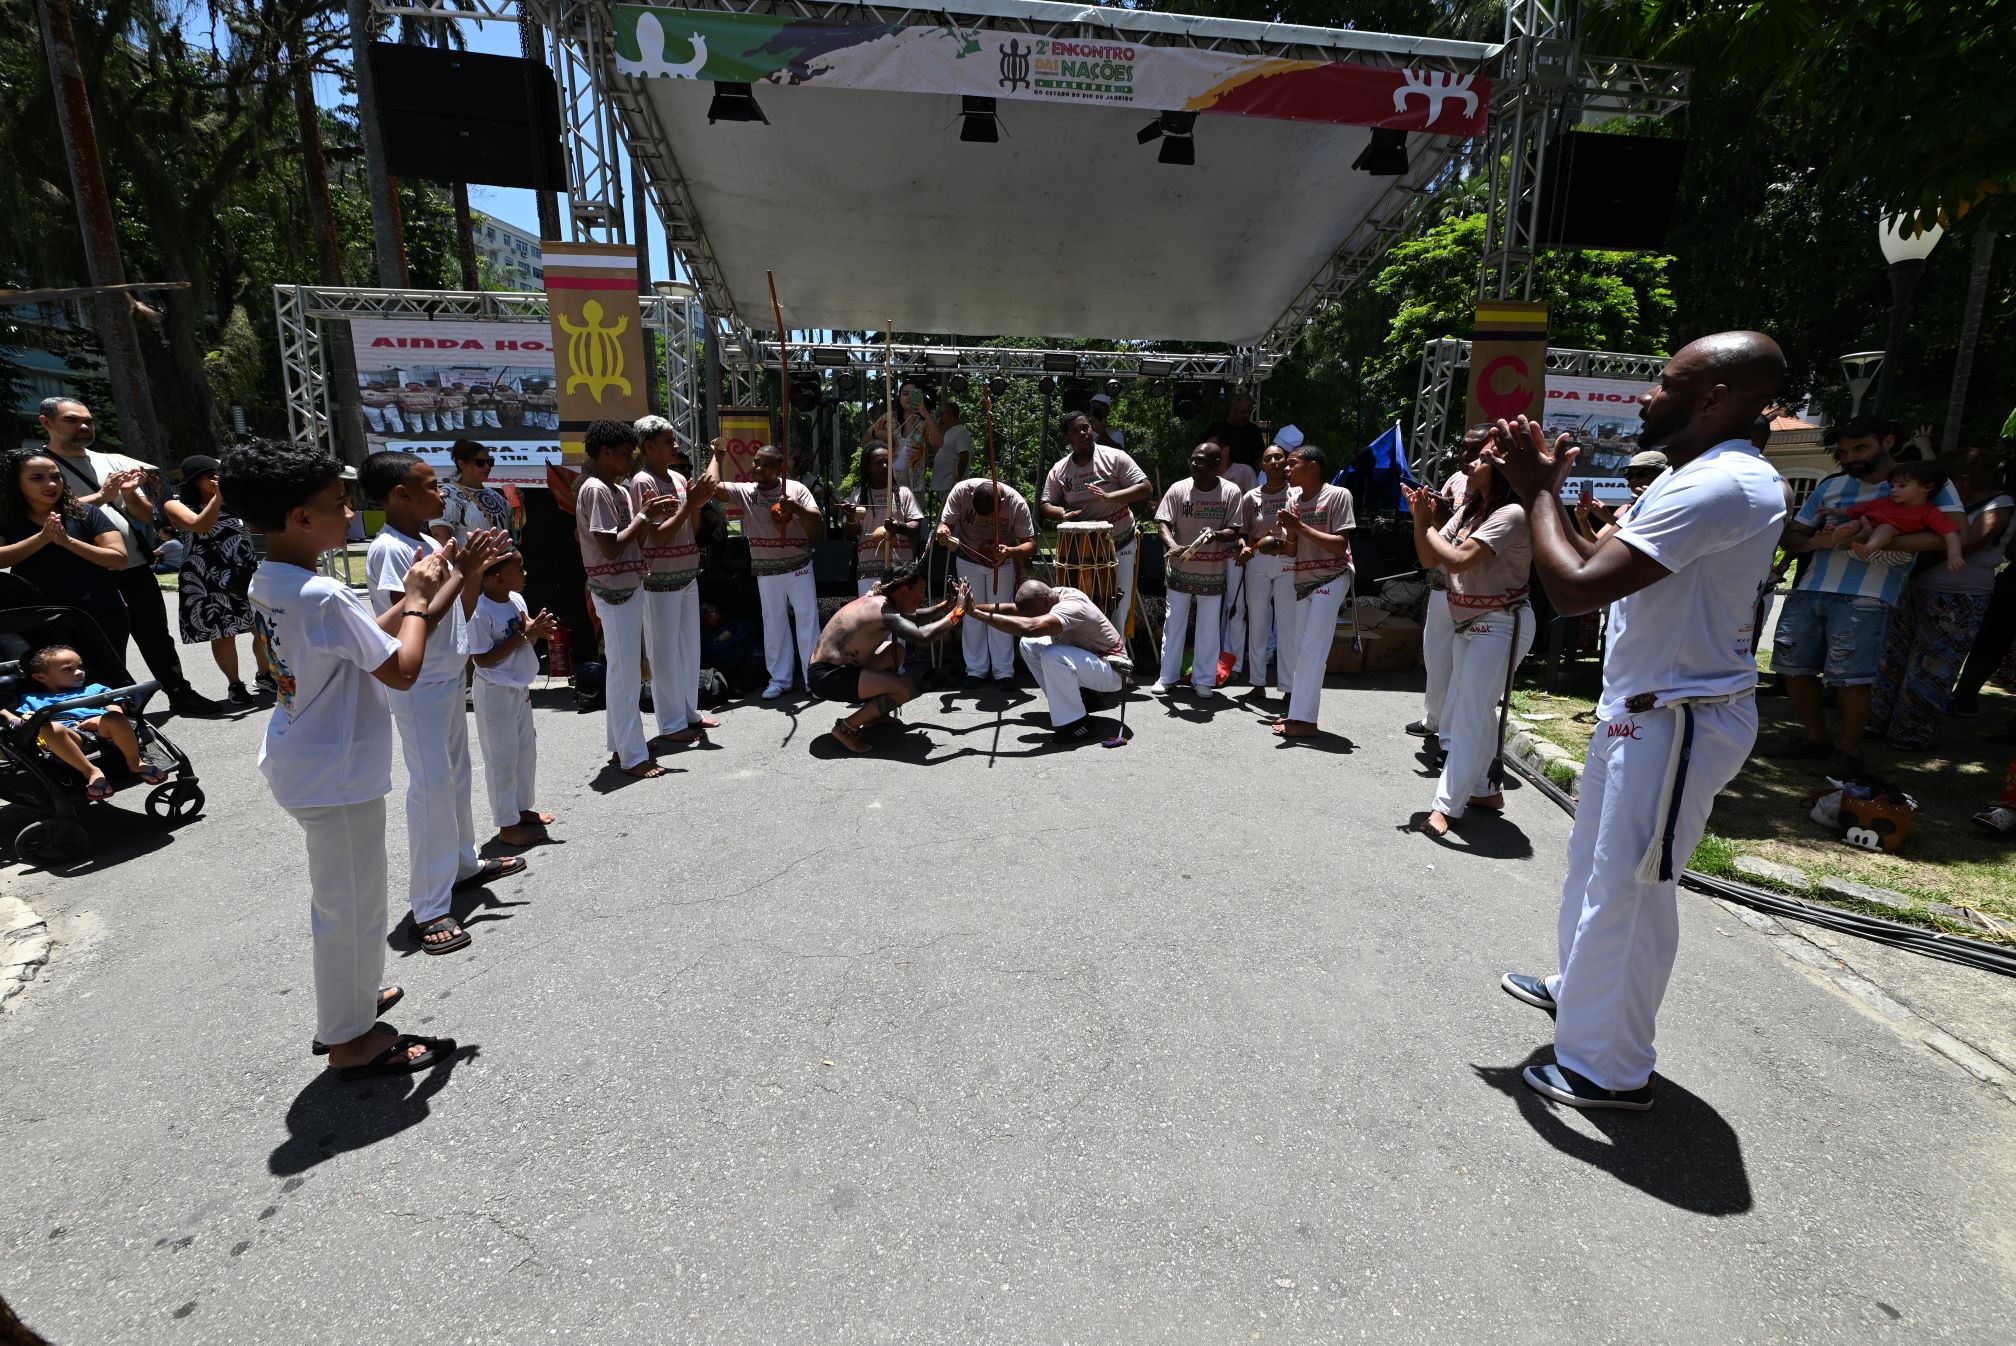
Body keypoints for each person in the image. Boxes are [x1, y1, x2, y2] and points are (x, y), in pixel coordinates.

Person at [1491, 331, 1790, 1111]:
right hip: (1644, 711)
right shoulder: (1694, 476)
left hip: (1679, 720)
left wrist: (1536, 495)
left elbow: (1576, 588)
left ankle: (1610, 1069)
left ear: (1716, 399)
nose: (1646, 396)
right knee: (1596, 869)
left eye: (1664, 383)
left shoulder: (1724, 484)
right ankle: (1581, 999)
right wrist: (1555, 494)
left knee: (1632, 890)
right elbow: (1614, 566)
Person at [227, 440, 457, 1078]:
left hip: (309, 757)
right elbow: (403, 669)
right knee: (350, 906)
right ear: (301, 517)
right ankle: (349, 1038)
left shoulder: (277, 578)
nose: (350, 511)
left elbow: (366, 638)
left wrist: (433, 588)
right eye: (338, 503)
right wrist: (416, 597)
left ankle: (351, 998)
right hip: (334, 770)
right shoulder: (321, 593)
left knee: (346, 899)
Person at [363, 450, 520, 954]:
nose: (441, 493)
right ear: (398, 495)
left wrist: (471, 572)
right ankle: (429, 907)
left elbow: (459, 609)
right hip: (419, 684)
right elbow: (412, 620)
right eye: (430, 486)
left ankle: (461, 863)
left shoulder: (428, 540)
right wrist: (460, 572)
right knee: (430, 787)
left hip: (448, 676)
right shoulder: (389, 549)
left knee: (456, 774)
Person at [1768, 414, 1964, 775]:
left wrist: (1873, 540)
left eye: (1861, 448)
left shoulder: (1923, 481)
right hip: (1810, 587)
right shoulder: (1832, 486)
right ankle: (1816, 740)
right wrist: (1818, 541)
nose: (1851, 457)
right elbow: (1792, 535)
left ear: (1888, 442)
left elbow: (1956, 532)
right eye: (1844, 450)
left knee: (1851, 678)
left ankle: (1850, 752)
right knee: (1793, 670)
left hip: (1870, 594)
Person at [35, 398, 219, 715]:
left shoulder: (111, 460)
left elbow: (145, 516)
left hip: (133, 565)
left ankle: (179, 693)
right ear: (46, 422)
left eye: (88, 421)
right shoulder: (39, 466)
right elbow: (38, 515)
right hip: (85, 571)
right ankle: (110, 708)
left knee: (156, 636)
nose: (83, 427)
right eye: (72, 420)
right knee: (100, 644)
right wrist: (100, 497)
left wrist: (131, 492)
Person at [1404, 451, 1533, 837]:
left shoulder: (1511, 514)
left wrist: (1427, 524)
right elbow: (1430, 558)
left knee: (1467, 712)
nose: (1470, 465)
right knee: (1475, 708)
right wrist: (1420, 522)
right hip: (1470, 624)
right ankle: (1485, 790)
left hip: (1501, 623)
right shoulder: (1470, 511)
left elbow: (1459, 560)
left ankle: (1446, 806)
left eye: (1481, 460)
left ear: (1501, 471)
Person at [1869, 448, 2014, 747]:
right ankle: (1878, 721)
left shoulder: (2000, 504)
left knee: (1933, 664)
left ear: (1961, 479)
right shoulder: (1945, 504)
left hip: (1960, 596)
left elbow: (1968, 541)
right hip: (1915, 587)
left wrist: (1891, 541)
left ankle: (1912, 732)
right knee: (1893, 659)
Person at [577, 419, 678, 775]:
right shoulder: (595, 490)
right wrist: (644, 517)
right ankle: (633, 755)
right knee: (625, 674)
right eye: (624, 454)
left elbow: (633, 541)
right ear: (604, 452)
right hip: (614, 591)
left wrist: (650, 519)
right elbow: (610, 548)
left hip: (627, 587)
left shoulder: (616, 490)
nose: (630, 460)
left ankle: (621, 746)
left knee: (622, 672)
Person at [808, 564, 968, 753]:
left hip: (833, 671)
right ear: (903, 590)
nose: (923, 597)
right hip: (828, 677)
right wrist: (958, 612)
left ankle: (873, 716)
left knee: (895, 651)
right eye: (921, 590)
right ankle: (846, 727)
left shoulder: (882, 602)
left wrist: (946, 606)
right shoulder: (884, 611)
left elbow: (914, 618)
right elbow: (923, 636)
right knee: (905, 688)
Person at [630, 415, 720, 745]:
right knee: (664, 653)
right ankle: (669, 723)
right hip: (659, 579)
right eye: (669, 441)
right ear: (648, 446)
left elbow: (691, 530)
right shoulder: (642, 482)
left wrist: (695, 503)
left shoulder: (678, 479)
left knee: (687, 648)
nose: (676, 445)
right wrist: (690, 506)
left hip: (686, 575)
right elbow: (656, 538)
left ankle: (688, 712)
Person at [710, 442, 824, 699]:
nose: (756, 467)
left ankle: (813, 678)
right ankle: (779, 679)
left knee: (807, 620)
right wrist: (717, 456)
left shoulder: (796, 489)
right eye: (755, 461)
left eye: (762, 463)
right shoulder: (747, 492)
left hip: (798, 566)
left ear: (778, 468)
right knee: (774, 622)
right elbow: (714, 488)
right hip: (766, 569)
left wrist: (797, 509)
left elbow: (817, 526)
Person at [466, 547, 558, 848]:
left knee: (525, 751)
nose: (525, 574)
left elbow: (526, 635)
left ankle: (521, 809)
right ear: (496, 578)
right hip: (494, 692)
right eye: (519, 570)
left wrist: (536, 631)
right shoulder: (480, 612)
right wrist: (522, 636)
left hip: (518, 688)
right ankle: (507, 824)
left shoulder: (515, 600)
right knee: (501, 758)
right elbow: (482, 659)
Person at [1405, 425, 1490, 739]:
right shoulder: (1456, 480)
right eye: (1464, 449)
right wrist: (1430, 515)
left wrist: (1430, 522)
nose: (1467, 458)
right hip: (1444, 586)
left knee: (1463, 668)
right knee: (1436, 656)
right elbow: (1439, 540)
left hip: (1480, 598)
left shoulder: (1502, 502)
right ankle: (1435, 720)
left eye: (1475, 451)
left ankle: (1452, 738)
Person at [162, 455, 268, 707]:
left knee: (262, 628)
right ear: (193, 480)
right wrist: (219, 497)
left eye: (218, 473)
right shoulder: (176, 506)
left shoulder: (234, 503)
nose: (215, 478)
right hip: (206, 577)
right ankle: (235, 684)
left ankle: (265, 675)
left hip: (244, 574)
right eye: (208, 474)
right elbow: (201, 526)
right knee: (222, 633)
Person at [0, 448, 130, 653]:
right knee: (55, 683)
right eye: (37, 478)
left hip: (99, 613)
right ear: (15, 482)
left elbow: (119, 559)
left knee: (107, 681)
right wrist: (41, 538)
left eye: (56, 476)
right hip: (38, 618)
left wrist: (67, 541)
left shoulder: (86, 513)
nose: (51, 484)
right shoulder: (7, 519)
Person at [967, 579, 1128, 743]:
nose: (1028, 616)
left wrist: (976, 615)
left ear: (1045, 601)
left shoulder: (1071, 607)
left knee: (1053, 655)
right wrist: (971, 607)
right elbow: (1016, 609)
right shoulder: (1050, 596)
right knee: (1029, 645)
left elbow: (1029, 628)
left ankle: (1079, 723)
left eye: (1031, 613)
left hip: (1114, 671)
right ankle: (1083, 699)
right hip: (1093, 663)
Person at [1040, 410, 1153, 641]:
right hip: (1082, 548)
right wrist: (1063, 513)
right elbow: (1044, 504)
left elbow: (1145, 488)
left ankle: (1118, 661)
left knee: (1117, 602)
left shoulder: (1115, 457)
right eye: (1075, 431)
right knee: (1083, 603)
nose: (1083, 433)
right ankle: (1088, 659)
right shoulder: (1060, 469)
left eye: (1086, 427)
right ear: (1067, 439)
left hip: (1120, 541)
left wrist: (1112, 497)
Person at [1, 644, 167, 799]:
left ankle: (135, 762)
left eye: (80, 666)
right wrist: (6, 714)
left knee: (115, 717)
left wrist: (101, 719)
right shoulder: (32, 699)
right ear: (41, 677)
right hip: (72, 736)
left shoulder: (94, 688)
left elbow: (114, 706)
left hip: (104, 729)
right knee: (51, 728)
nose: (79, 672)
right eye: (68, 669)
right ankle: (91, 771)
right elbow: (25, 720)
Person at [1269, 445, 1355, 739]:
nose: (1286, 469)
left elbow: (1340, 545)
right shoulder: (1292, 497)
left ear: (1313, 466)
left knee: (1311, 651)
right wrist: (1288, 535)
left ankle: (1305, 721)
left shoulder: (1338, 495)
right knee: (1300, 649)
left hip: (1332, 576)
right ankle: (1298, 714)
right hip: (1303, 579)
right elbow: (1291, 549)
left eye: (1292, 464)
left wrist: (1299, 527)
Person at [1149, 444, 1243, 696]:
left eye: (1201, 461)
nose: (1194, 465)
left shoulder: (1231, 491)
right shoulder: (1178, 488)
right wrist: (1172, 545)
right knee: (1174, 624)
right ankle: (1166, 677)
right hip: (1180, 568)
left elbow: (1234, 530)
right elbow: (1163, 523)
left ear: (1216, 464)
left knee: (1209, 627)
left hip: (1212, 571)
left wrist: (1216, 535)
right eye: (1192, 460)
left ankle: (1203, 679)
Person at [937, 476, 1038, 688]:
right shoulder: (961, 490)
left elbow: (1030, 544)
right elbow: (945, 523)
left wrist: (1010, 551)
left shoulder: (1016, 503)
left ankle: (1003, 672)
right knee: (971, 613)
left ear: (1000, 503)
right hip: (967, 559)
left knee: (999, 613)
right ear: (971, 497)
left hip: (1001, 563)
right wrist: (944, 531)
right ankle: (975, 670)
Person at [1236, 442, 1299, 700]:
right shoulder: (1251, 497)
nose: (1274, 462)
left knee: (1287, 624)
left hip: (1287, 557)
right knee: (1259, 621)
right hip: (1259, 559)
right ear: (1262, 465)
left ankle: (1288, 688)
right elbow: (1242, 533)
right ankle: (1258, 683)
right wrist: (1243, 548)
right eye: (1268, 458)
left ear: (1285, 462)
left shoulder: (1296, 493)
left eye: (1278, 458)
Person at [1839, 462, 1965, 568]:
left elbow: (1950, 533)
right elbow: (1857, 509)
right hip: (1858, 546)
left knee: (1885, 527)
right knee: (1856, 522)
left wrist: (1954, 555)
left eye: (1902, 485)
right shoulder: (1886, 502)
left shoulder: (1929, 511)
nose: (1893, 490)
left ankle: (1867, 548)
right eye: (1892, 486)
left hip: (1894, 553)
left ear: (1927, 486)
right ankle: (1836, 535)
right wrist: (1833, 511)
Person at [845, 444, 924, 597]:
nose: (885, 466)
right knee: (870, 617)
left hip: (900, 570)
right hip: (868, 571)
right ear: (867, 467)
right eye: (878, 463)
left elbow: (916, 526)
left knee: (902, 617)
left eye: (887, 461)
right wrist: (849, 518)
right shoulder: (857, 496)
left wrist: (899, 527)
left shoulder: (903, 493)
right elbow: (850, 534)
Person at [429, 440, 515, 546]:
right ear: (462, 464)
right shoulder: (448, 495)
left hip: (503, 561)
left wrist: (517, 505)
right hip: (473, 562)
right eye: (480, 463)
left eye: (490, 462)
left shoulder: (495, 495)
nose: (487, 467)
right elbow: (441, 537)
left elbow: (515, 528)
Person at [862, 380, 942, 493]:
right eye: (905, 393)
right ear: (899, 399)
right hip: (887, 484)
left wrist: (925, 413)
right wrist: (877, 434)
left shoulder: (924, 423)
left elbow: (938, 443)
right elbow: (864, 444)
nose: (909, 396)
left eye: (914, 394)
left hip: (915, 486)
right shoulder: (888, 418)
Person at [1205, 391, 1265, 473]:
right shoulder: (1217, 428)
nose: (1247, 416)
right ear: (1233, 409)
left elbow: (1259, 459)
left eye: (1249, 412)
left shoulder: (1254, 431)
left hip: (1247, 478)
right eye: (1243, 412)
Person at [931, 402, 974, 503]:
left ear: (952, 414)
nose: (940, 416)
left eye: (943, 413)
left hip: (951, 485)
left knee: (952, 515)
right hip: (944, 486)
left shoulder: (960, 432)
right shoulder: (949, 432)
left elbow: (964, 457)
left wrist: (957, 481)